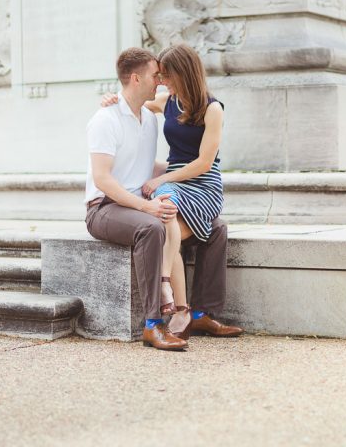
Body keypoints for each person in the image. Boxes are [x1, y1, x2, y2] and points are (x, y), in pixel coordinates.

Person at [102, 43, 243, 338]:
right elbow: (133, 102)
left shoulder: (212, 108)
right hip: (174, 182)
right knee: (169, 220)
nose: (162, 82)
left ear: (183, 72)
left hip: (202, 184)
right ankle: (187, 310)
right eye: (160, 76)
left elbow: (205, 163)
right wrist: (112, 99)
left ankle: (174, 292)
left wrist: (163, 178)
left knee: (188, 220)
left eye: (166, 76)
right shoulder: (168, 101)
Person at [85, 47, 187, 351]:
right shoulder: (105, 119)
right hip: (103, 208)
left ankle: (200, 313)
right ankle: (153, 325)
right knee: (151, 227)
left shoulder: (148, 118)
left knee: (210, 224)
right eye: (155, 75)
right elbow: (103, 178)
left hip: (133, 205)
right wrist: (147, 206)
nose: (159, 80)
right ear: (135, 78)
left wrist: (183, 173)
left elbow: (145, 166)